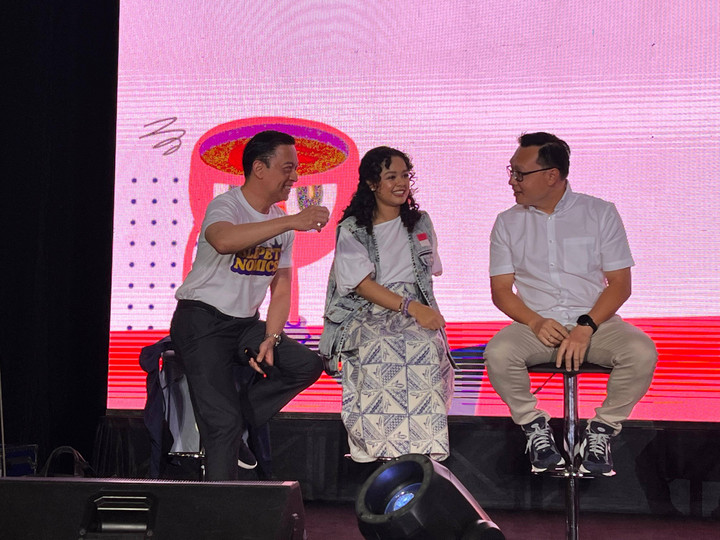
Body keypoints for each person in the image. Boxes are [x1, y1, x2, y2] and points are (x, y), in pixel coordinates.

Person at [484, 132, 657, 476]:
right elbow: (501, 290)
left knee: (641, 352)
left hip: (595, 324)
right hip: (536, 325)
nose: (512, 181)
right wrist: (535, 321)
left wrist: (586, 326)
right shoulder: (507, 221)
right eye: (511, 172)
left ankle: (602, 429)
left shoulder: (599, 212)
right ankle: (534, 427)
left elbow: (620, 285)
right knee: (499, 353)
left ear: (551, 175)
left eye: (519, 174)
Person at [170, 130, 326, 481]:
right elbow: (223, 241)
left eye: (296, 168)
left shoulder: (282, 223)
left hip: (244, 326)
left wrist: (271, 336)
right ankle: (220, 506)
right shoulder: (227, 205)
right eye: (288, 168)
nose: (295, 177)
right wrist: (292, 220)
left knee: (305, 365)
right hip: (201, 322)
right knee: (223, 426)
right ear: (259, 168)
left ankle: (234, 421)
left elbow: (281, 288)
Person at [319, 146, 455, 463]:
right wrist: (410, 307)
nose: (401, 183)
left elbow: (429, 272)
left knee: (424, 346)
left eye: (405, 175)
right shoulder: (353, 229)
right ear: (371, 183)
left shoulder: (420, 222)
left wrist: (419, 309)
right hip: (366, 310)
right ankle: (378, 446)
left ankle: (422, 449)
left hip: (414, 309)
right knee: (379, 346)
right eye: (391, 176)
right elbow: (361, 285)